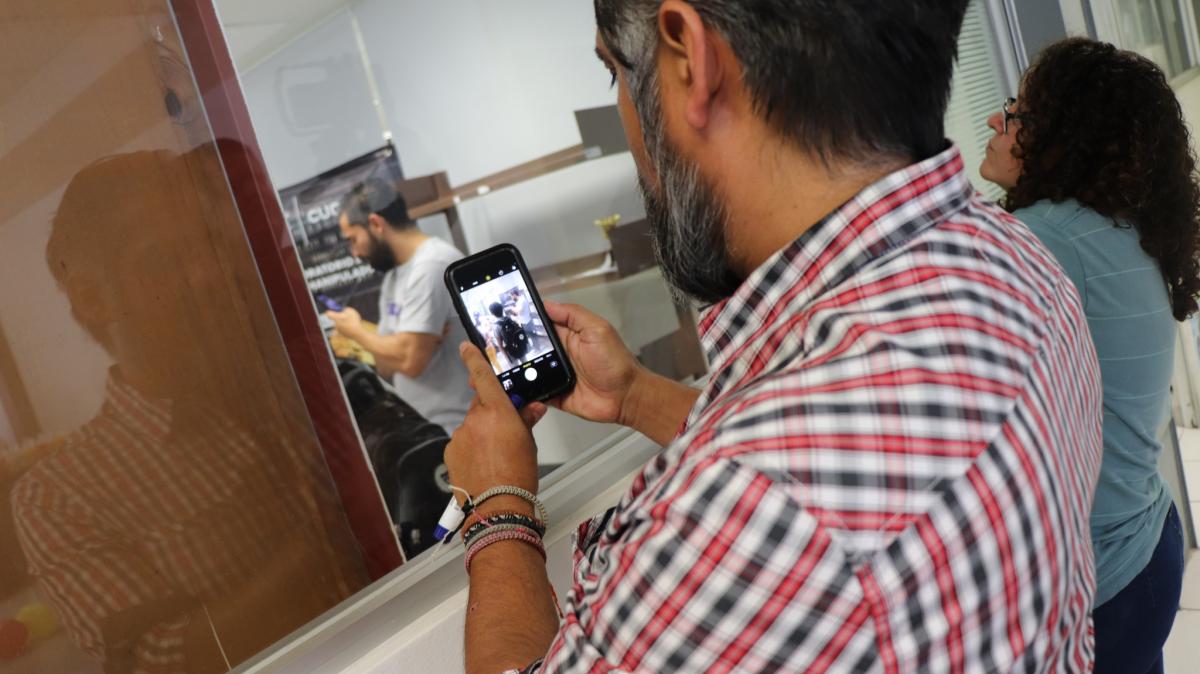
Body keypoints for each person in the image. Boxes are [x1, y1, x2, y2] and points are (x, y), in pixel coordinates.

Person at [443, 2, 1103, 673]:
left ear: (689, 57)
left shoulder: (747, 512)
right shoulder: (1016, 257)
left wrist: (499, 504)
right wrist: (635, 396)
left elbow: (790, 481)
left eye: (616, 72)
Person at [12, 149, 367, 672]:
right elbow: (162, 661)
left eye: (210, 246)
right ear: (93, 298)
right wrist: (325, 530)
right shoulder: (58, 497)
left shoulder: (292, 383)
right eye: (164, 259)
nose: (207, 275)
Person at [979, 37, 1199, 674]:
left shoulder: (1048, 238)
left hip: (1107, 580)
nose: (995, 120)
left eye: (1017, 113)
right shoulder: (1111, 226)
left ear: (1061, 137)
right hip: (1145, 541)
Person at [326, 178, 472, 434]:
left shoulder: (432, 266)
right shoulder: (394, 278)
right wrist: (404, 346)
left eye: (353, 239)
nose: (354, 252)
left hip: (461, 427)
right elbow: (385, 364)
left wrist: (357, 332)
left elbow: (409, 361)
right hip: (427, 430)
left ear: (375, 224)